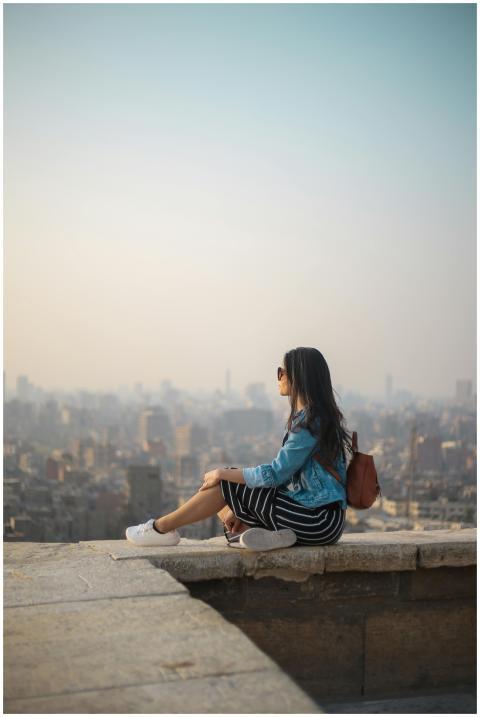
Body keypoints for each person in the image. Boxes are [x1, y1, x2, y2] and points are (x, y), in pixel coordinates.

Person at [126, 346, 353, 551]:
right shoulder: (316, 418)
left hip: (317, 521)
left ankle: (160, 528)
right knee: (232, 515)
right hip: (320, 522)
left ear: (299, 376)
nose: (279, 377)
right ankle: (270, 535)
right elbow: (286, 480)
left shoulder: (310, 423)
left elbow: (275, 474)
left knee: (224, 482)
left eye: (282, 372)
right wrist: (239, 507)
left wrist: (223, 472)